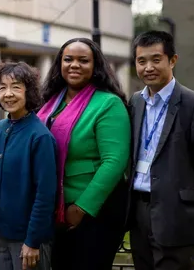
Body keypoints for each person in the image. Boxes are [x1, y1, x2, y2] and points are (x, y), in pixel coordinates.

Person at [128, 30, 194, 270]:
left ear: (173, 60)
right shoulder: (135, 102)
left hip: (177, 215)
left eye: (156, 59)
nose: (148, 67)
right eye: (141, 61)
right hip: (139, 211)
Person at [36, 37, 130, 270]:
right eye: (68, 59)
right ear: (60, 64)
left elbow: (114, 161)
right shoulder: (50, 103)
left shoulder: (108, 103)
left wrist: (82, 208)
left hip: (94, 213)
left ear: (95, 66)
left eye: (83, 60)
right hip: (56, 210)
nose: (74, 65)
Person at [0, 61, 57, 270]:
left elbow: (45, 194)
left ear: (29, 92)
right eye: (2, 88)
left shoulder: (40, 137)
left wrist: (33, 240)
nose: (8, 94)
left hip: (27, 241)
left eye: (15, 87)